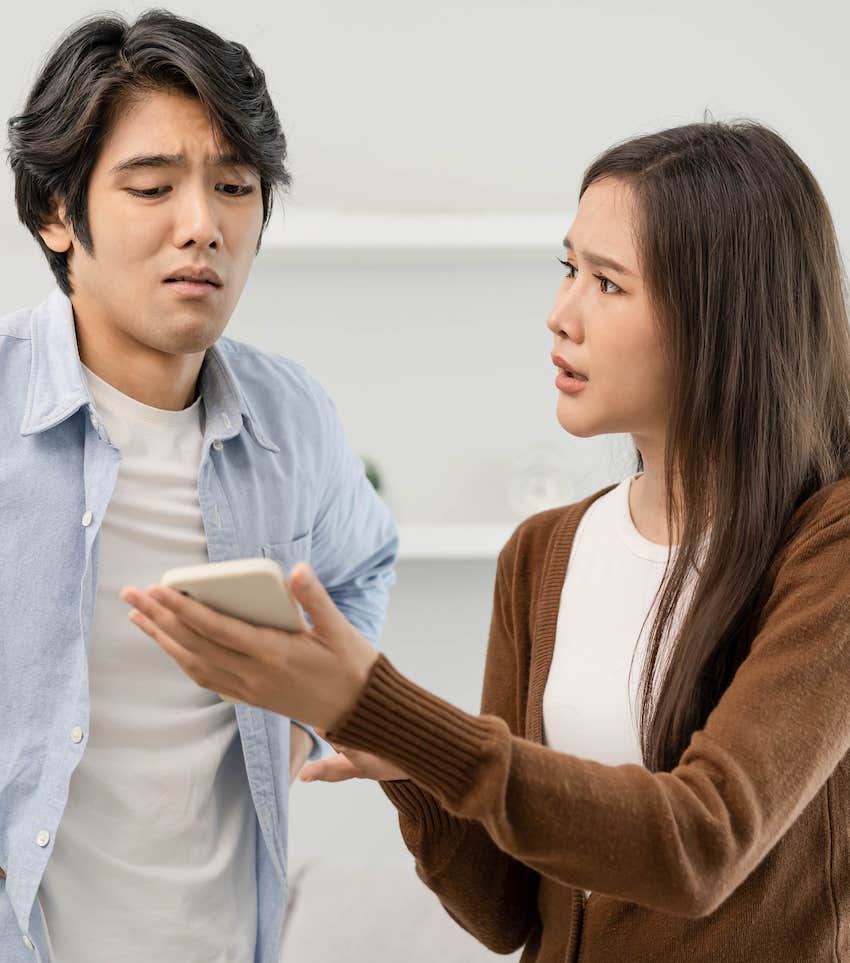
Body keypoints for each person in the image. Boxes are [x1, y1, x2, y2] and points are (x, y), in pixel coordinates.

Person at [127, 119, 850, 962]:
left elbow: (701, 842)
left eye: (609, 285)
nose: (560, 315)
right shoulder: (544, 553)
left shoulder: (826, 546)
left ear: (724, 317)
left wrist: (393, 711)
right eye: (568, 269)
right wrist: (408, 766)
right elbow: (508, 912)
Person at [0, 10, 396, 963]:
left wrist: (300, 719)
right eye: (152, 185)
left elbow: (364, 559)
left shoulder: (289, 415)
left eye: (234, 187)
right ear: (59, 212)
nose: (203, 226)